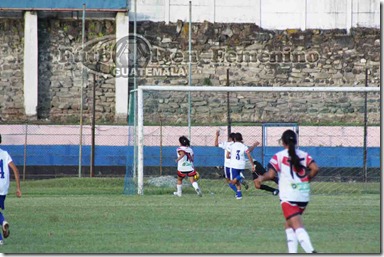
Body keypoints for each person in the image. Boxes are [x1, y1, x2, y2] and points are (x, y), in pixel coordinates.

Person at [254, 129, 319, 253]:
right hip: (303, 194)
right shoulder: (304, 155)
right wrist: (306, 179)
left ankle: (311, 251)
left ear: (283, 143)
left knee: (296, 225)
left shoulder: (279, 156)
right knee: (289, 225)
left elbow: (271, 175)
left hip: (288, 195)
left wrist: (261, 178)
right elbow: (315, 168)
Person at [0, 134, 22, 245]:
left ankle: (2, 224)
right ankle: (3, 224)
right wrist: (18, 188)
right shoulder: (5, 154)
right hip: (3, 188)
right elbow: (16, 170)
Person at [226, 132, 255, 200]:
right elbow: (249, 156)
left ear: (235, 139)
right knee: (237, 181)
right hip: (242, 165)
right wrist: (252, 165)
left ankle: (240, 177)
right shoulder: (244, 146)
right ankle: (239, 195)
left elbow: (227, 156)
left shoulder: (231, 146)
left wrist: (232, 156)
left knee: (232, 182)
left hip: (234, 165)